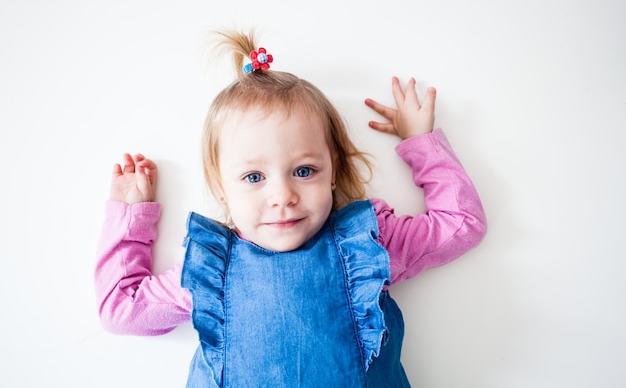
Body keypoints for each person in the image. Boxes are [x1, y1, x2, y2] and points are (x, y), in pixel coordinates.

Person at [95, 29, 487, 388]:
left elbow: (460, 223)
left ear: (333, 170)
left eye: (304, 171)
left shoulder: (366, 245)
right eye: (253, 177)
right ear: (220, 185)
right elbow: (121, 310)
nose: (282, 196)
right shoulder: (210, 269)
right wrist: (131, 215)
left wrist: (420, 142)